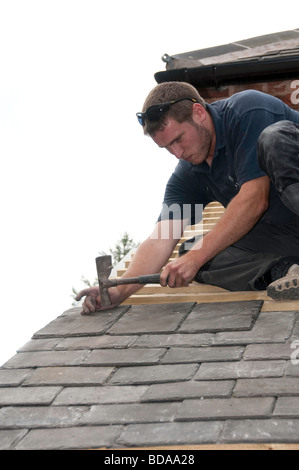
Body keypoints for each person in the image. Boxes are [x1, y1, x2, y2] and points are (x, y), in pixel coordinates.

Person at [76, 81, 299, 314]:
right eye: (167, 148)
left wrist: (196, 257)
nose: (177, 154)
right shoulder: (188, 175)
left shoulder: (248, 110)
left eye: (177, 139)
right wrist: (119, 291)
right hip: (286, 235)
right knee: (192, 254)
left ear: (199, 112)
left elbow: (255, 198)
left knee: (275, 139)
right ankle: (287, 271)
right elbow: (161, 238)